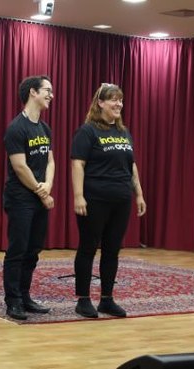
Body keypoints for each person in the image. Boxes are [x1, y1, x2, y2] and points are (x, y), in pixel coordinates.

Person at [71, 83, 146, 318]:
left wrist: (139, 194)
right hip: (95, 198)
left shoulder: (124, 132)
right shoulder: (88, 131)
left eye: (120, 100)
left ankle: (106, 299)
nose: (118, 104)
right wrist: (78, 196)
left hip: (121, 199)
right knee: (88, 248)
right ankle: (83, 300)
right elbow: (77, 164)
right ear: (100, 103)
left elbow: (131, 165)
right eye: (113, 100)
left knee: (112, 250)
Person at [2, 75, 55, 321]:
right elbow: (20, 167)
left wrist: (48, 186)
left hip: (39, 196)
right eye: (47, 90)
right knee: (18, 249)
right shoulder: (16, 127)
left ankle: (25, 296)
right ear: (33, 92)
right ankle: (12, 301)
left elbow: (50, 161)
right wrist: (40, 191)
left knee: (33, 250)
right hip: (21, 197)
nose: (50, 96)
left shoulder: (44, 128)